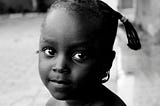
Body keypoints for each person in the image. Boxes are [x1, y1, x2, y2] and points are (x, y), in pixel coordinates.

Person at [38, 0, 141, 106]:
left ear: (106, 62)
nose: (59, 66)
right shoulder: (52, 104)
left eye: (79, 55)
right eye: (50, 51)